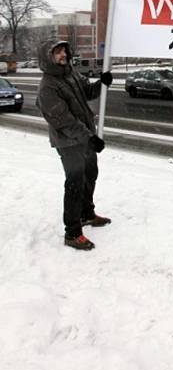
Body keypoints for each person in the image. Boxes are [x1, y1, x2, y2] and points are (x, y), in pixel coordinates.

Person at [37, 40, 114, 251]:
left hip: (85, 135)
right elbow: (64, 121)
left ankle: (86, 213)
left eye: (64, 51)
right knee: (75, 182)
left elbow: (88, 91)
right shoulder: (48, 87)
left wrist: (102, 83)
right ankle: (72, 232)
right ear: (48, 57)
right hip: (69, 141)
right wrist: (89, 137)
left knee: (91, 173)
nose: (63, 55)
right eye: (57, 52)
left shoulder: (70, 73)